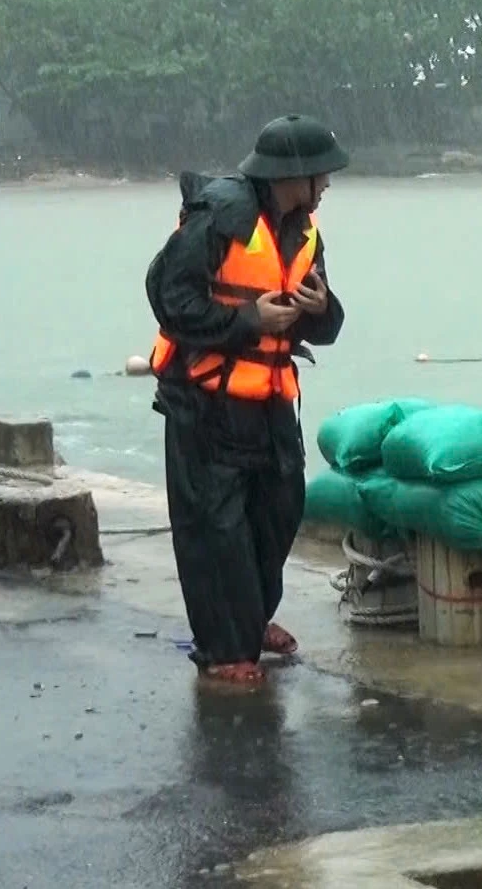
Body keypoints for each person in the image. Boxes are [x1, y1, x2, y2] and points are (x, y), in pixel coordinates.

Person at [145, 114, 348, 685]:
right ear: (295, 176)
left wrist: (319, 309)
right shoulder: (218, 219)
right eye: (323, 176)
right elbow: (167, 295)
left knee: (278, 511)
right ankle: (222, 651)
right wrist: (245, 319)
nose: (328, 186)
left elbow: (327, 326)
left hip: (270, 403)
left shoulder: (304, 231)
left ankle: (251, 620)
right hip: (206, 404)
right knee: (216, 530)